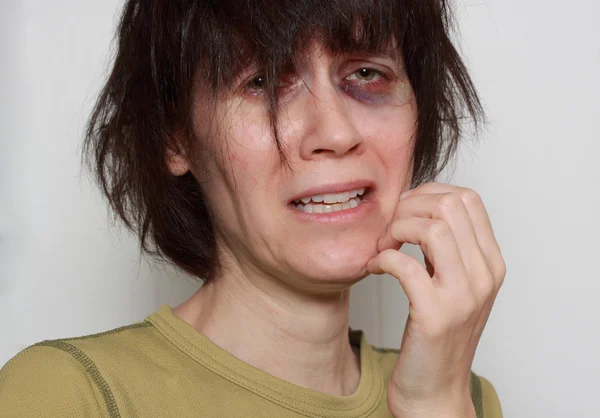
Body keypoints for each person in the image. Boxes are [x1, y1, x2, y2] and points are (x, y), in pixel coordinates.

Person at [0, 0, 506, 417]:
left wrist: (437, 404)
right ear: (176, 137)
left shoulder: (464, 396)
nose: (335, 133)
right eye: (262, 82)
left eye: (368, 73)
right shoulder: (67, 395)